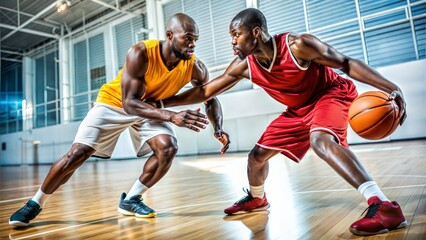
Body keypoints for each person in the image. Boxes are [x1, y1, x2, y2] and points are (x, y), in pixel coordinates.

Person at [157, 8, 408, 236]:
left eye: (236, 34)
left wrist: (391, 87)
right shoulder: (244, 65)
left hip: (330, 94)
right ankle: (257, 199)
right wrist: (161, 103)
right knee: (256, 157)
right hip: (298, 109)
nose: (232, 41)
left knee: (320, 141)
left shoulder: (298, 45)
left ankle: (383, 205)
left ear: (255, 33)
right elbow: (204, 92)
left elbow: (347, 63)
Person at [9, 13, 230, 227]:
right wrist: (172, 116)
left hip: (150, 107)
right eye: (188, 38)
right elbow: (130, 103)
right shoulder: (141, 52)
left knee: (168, 148)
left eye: (195, 40)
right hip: (116, 103)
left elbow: (209, 97)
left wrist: (218, 128)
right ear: (170, 35)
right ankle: (35, 203)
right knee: (77, 154)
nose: (193, 45)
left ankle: (132, 199)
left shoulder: (195, 67)